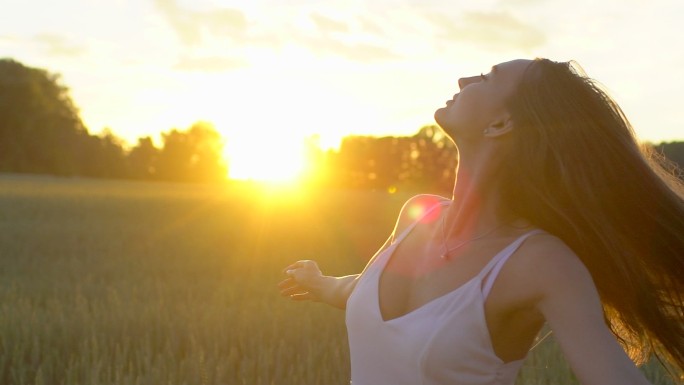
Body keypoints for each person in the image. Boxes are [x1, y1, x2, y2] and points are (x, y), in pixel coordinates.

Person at [278, 58, 684, 385]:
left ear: (500, 124)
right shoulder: (419, 215)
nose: (463, 79)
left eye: (488, 78)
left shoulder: (539, 262)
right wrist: (324, 283)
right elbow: (368, 292)